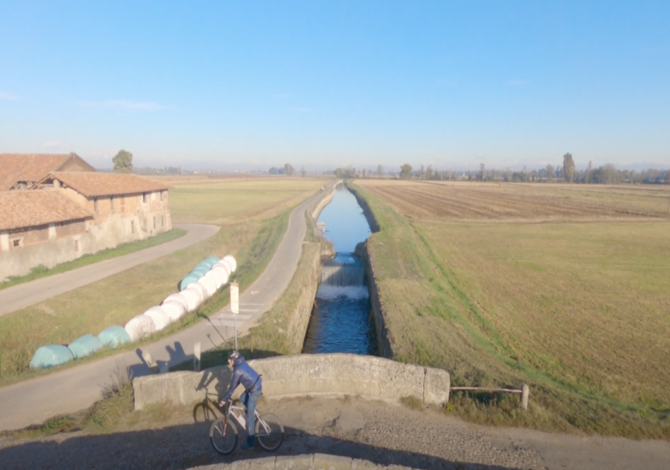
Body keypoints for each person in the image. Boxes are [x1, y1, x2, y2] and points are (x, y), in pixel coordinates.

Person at [219, 350, 262, 450]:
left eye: (229, 359)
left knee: (248, 417)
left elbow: (232, 387)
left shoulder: (237, 370)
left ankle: (251, 443)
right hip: (255, 384)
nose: (228, 361)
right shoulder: (241, 362)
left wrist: (224, 399)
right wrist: (230, 391)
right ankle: (253, 414)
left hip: (255, 390)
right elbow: (238, 381)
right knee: (242, 398)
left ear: (233, 359)